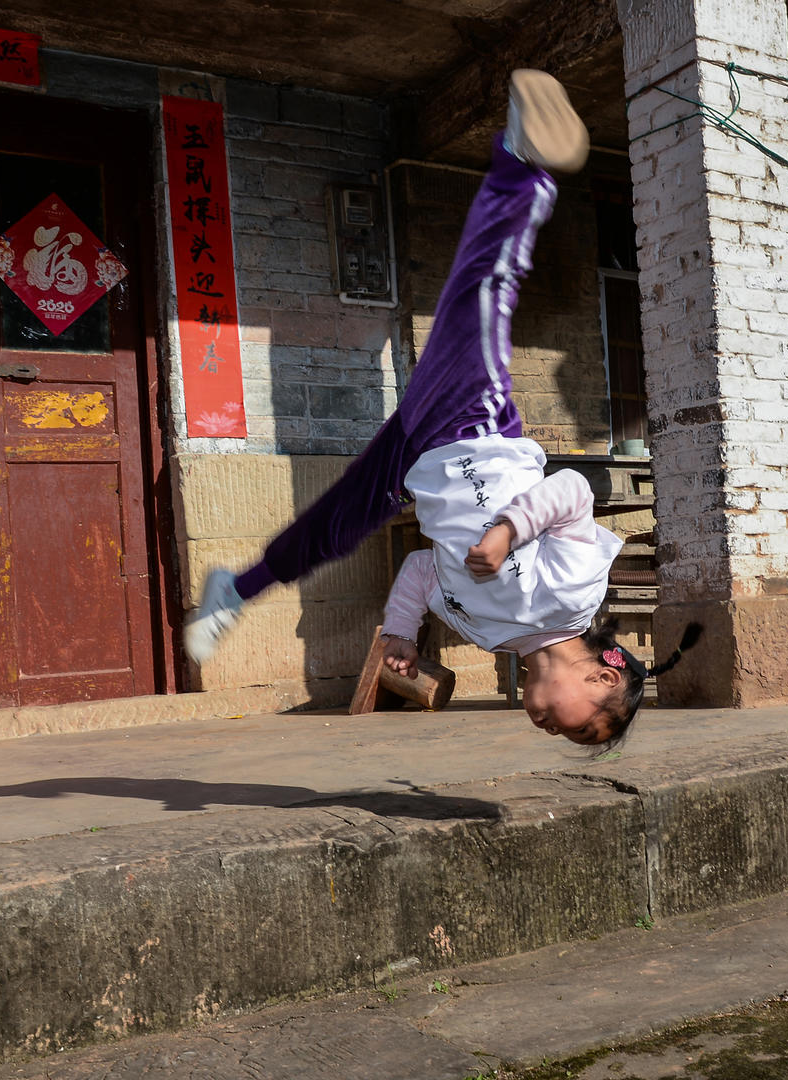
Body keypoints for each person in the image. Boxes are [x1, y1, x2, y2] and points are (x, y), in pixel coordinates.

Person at [186, 69, 702, 747]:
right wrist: (508, 532)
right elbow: (574, 492)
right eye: (580, 730)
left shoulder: (486, 632)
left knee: (338, 526)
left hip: (420, 461)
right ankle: (521, 168)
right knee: (484, 290)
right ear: (602, 680)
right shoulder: (574, 596)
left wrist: (399, 629)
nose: (554, 731)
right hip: (475, 427)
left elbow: (423, 569)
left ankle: (236, 587)